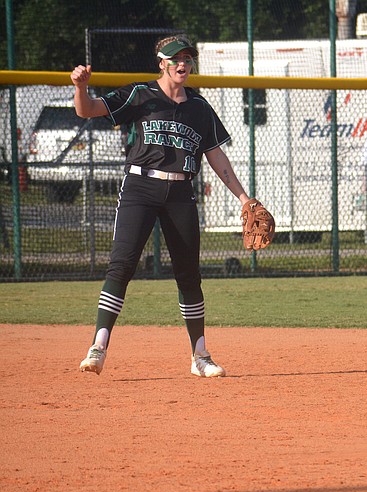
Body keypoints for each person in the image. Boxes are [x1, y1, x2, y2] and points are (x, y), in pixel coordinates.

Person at [73, 35, 256, 377]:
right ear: (161, 63)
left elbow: (216, 157)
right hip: (140, 187)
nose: (182, 64)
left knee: (189, 275)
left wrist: (244, 198)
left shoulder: (199, 108)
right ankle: (98, 346)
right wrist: (81, 88)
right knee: (122, 266)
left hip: (180, 192)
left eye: (187, 58)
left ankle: (200, 356)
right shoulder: (139, 94)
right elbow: (87, 110)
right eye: (175, 59)